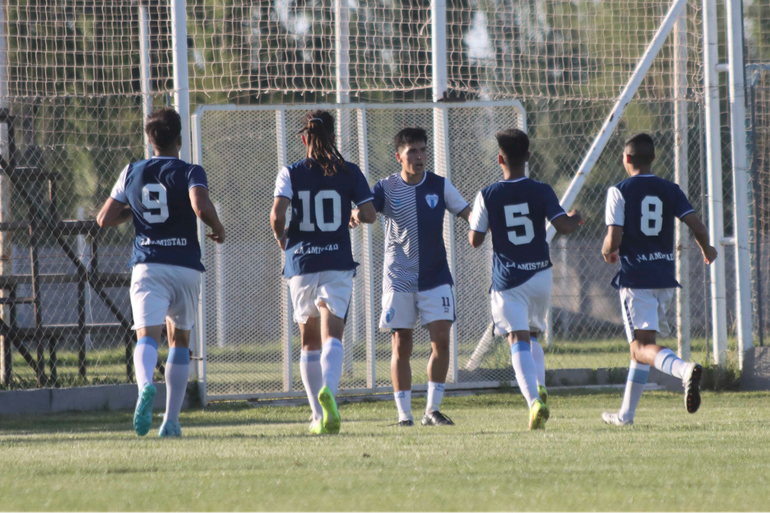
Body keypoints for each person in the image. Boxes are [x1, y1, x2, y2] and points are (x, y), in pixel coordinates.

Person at [97, 108, 226, 437]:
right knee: (179, 341)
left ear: (149, 140)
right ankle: (171, 420)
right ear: (179, 140)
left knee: (146, 337)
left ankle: (144, 388)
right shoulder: (190, 170)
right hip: (184, 265)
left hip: (147, 265)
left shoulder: (132, 171)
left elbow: (104, 218)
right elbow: (200, 205)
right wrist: (218, 227)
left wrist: (134, 211)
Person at [352, 127, 470, 427]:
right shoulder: (385, 187)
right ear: (399, 157)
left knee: (441, 341)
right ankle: (404, 415)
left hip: (435, 276)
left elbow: (468, 214)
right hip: (399, 277)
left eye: (422, 150)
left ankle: (431, 410)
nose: (419, 157)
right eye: (412, 152)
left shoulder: (440, 185)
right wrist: (353, 216)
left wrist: (484, 222)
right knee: (401, 345)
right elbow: (366, 211)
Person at [468, 128, 583, 430]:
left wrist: (490, 224)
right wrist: (576, 216)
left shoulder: (488, 194)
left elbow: (474, 240)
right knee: (532, 336)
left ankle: (533, 401)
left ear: (499, 158)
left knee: (516, 338)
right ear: (528, 158)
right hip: (541, 276)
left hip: (509, 279)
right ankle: (540, 386)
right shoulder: (541, 190)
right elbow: (564, 226)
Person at [601, 133, 718, 426]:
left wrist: (607, 251)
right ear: (654, 158)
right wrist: (708, 249)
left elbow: (613, 240)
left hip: (635, 278)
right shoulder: (670, 189)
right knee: (640, 348)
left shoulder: (619, 190)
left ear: (626, 159)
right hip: (664, 277)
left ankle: (684, 370)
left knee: (641, 347)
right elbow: (698, 227)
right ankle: (625, 416)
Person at [271, 110, 376, 435]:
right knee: (334, 335)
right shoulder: (349, 171)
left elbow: (277, 215)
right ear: (333, 139)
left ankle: (318, 415)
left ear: (304, 138)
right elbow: (370, 214)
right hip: (337, 261)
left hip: (301, 263)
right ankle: (329, 390)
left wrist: (283, 240)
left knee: (308, 341)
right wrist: (355, 213)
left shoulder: (290, 172)